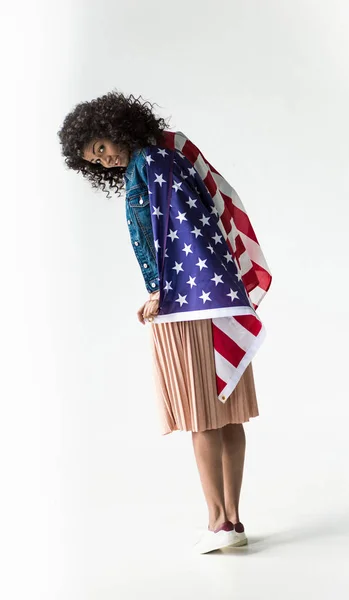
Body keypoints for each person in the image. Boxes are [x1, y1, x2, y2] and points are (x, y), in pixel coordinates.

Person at [58, 90, 271, 554]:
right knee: (226, 416)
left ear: (114, 130)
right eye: (94, 160)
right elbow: (188, 226)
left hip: (190, 303)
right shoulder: (159, 159)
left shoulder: (152, 161)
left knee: (204, 418)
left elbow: (184, 228)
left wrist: (160, 290)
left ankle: (219, 522)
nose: (103, 161)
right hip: (207, 296)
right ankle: (232, 521)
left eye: (100, 148)